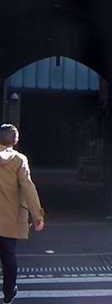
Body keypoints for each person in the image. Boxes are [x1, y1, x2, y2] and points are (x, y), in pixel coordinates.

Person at [0, 124, 44, 303]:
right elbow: (28, 187)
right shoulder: (19, 160)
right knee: (9, 256)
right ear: (15, 141)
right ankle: (9, 292)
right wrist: (38, 215)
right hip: (10, 218)